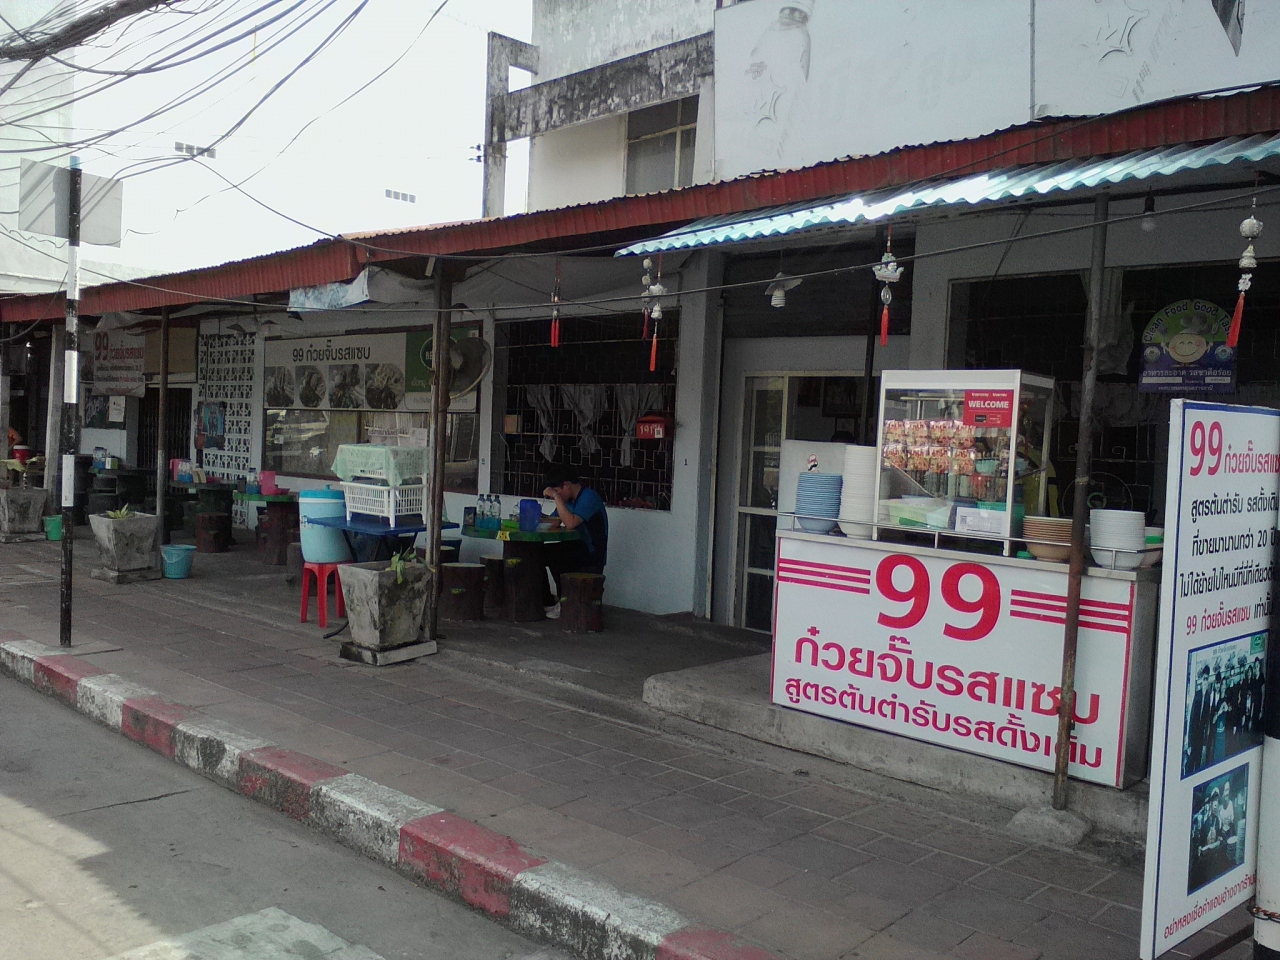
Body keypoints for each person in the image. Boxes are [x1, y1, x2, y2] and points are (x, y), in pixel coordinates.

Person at [540, 468, 608, 619]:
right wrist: (534, 515)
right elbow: (555, 521)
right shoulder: (569, 501)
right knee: (537, 553)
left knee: (555, 556)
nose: (556, 497)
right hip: (574, 548)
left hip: (591, 553)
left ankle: (565, 601)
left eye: (558, 492)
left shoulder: (589, 497)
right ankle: (546, 600)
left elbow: (570, 522)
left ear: (566, 485)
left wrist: (556, 497)